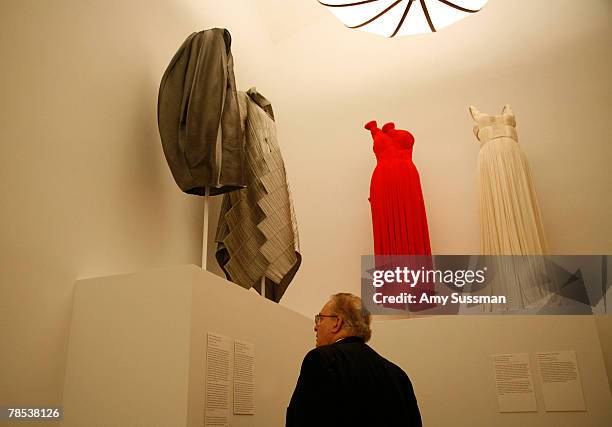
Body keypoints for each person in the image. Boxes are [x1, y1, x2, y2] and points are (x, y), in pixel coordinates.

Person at [286, 293, 422, 427]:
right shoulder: (398, 375)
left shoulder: (321, 360)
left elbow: (301, 420)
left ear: (337, 322)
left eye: (320, 319)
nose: (315, 327)